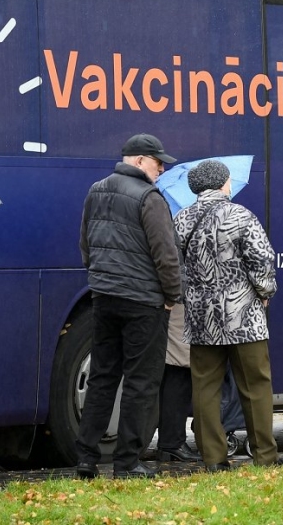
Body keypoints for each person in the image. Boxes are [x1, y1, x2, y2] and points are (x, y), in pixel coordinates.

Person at [76, 133, 182, 480]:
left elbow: (86, 244)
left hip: (104, 298)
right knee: (141, 382)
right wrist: (171, 296)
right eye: (157, 161)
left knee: (102, 378)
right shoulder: (149, 197)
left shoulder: (96, 189)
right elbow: (166, 255)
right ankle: (127, 462)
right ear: (139, 160)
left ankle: (86, 458)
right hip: (143, 302)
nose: (162, 167)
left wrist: (102, 280)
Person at [175, 159, 279, 471]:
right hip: (243, 315)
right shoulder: (240, 215)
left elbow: (174, 266)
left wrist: (190, 295)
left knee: (205, 387)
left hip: (200, 316)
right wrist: (264, 292)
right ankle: (265, 456)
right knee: (255, 385)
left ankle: (214, 459)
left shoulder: (181, 219)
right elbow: (261, 259)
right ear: (223, 183)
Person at [156, 303, 201, 462]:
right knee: (180, 368)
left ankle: (168, 443)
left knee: (174, 369)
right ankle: (172, 442)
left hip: (174, 299)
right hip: (180, 299)